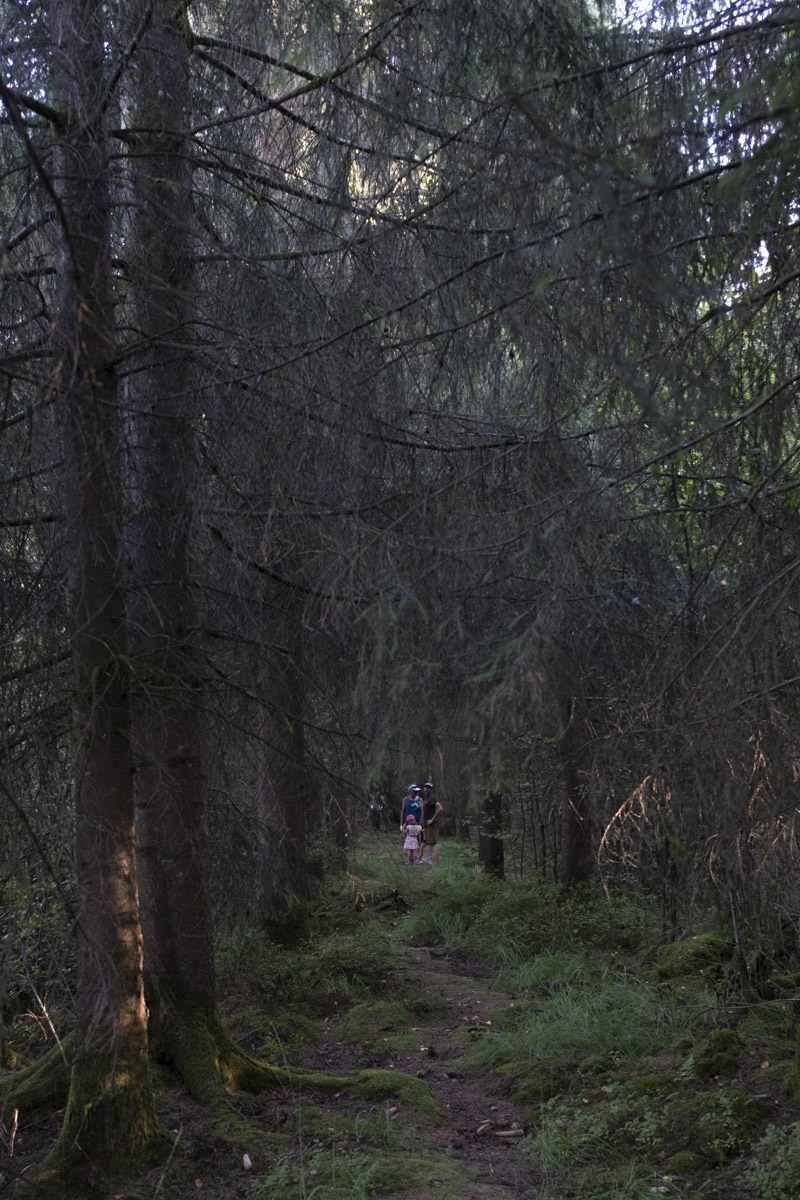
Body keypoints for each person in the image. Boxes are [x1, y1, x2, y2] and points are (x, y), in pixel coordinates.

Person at [420, 780, 443, 866]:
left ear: (431, 790)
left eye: (429, 788)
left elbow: (440, 808)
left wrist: (432, 819)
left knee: (433, 845)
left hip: (432, 825)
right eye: (426, 787)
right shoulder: (426, 799)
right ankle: (433, 863)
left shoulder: (432, 798)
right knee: (431, 845)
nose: (426, 789)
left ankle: (435, 865)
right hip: (427, 826)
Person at [400, 784, 423, 861]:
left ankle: (418, 857)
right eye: (414, 791)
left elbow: (422, 812)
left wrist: (420, 824)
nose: (416, 793)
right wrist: (401, 824)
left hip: (417, 824)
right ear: (410, 791)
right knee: (409, 841)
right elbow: (403, 811)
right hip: (408, 824)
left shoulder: (420, 800)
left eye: (417, 791)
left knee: (418, 841)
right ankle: (411, 858)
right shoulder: (405, 799)